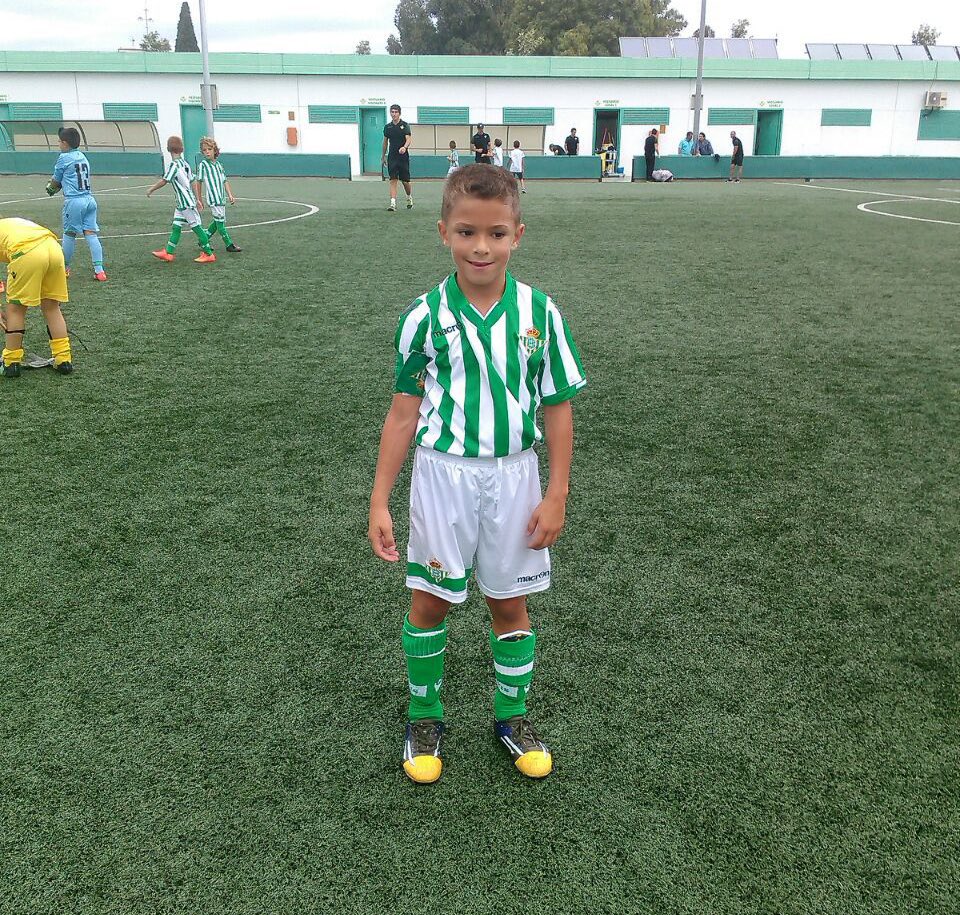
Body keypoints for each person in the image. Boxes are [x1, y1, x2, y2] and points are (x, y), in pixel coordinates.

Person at [368, 164, 586, 785]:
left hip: (516, 476)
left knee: (508, 601)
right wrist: (381, 501)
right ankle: (424, 714)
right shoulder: (422, 317)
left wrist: (557, 492)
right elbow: (402, 414)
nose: (481, 246)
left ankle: (512, 716)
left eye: (495, 233)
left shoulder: (541, 312)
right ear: (444, 233)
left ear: (518, 233)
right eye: (467, 232)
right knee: (430, 600)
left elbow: (559, 406)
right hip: (442, 477)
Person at [1, 217, 73, 378]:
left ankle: (10, 362)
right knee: (52, 307)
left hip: (27, 252)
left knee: (15, 310)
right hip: (54, 248)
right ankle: (63, 359)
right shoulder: (9, 223)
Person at [48, 127, 106, 281]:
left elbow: (56, 181)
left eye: (59, 141)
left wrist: (50, 188)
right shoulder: (82, 156)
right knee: (91, 235)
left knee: (69, 234)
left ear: (65, 143)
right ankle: (99, 271)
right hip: (89, 200)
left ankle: (64, 268)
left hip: (74, 202)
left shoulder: (63, 158)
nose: (58, 144)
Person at [146, 136, 216, 263]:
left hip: (186, 202)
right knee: (176, 226)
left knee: (196, 227)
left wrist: (151, 189)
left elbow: (165, 180)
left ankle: (208, 253)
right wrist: (198, 198)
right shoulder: (185, 164)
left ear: (168, 149)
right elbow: (193, 181)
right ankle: (168, 252)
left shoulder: (174, 165)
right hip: (182, 202)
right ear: (181, 149)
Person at [193, 136, 241, 253]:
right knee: (220, 223)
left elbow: (224, 181)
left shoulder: (219, 165)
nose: (207, 152)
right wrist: (199, 199)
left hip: (221, 198)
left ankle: (203, 239)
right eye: (204, 150)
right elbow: (198, 182)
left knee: (217, 221)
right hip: (213, 199)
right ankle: (229, 244)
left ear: (215, 150)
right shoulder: (203, 165)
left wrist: (230, 195)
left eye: (209, 149)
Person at [382, 104, 413, 212]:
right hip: (392, 157)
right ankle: (393, 203)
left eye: (396, 112)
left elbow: (408, 139)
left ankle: (409, 197)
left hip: (403, 157)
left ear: (399, 113)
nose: (394, 114)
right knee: (393, 179)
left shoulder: (404, 125)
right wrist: (383, 156)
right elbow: (385, 142)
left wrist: (404, 147)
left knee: (405, 181)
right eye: (392, 112)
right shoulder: (387, 127)